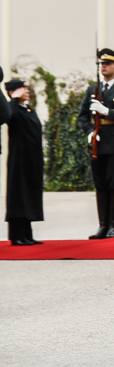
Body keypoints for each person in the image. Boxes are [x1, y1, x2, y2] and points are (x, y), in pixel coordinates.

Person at [77, 48, 114, 239]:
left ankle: (113, 225)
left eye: (107, 64)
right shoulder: (93, 89)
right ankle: (102, 225)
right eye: (101, 64)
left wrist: (107, 112)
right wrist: (89, 132)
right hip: (96, 143)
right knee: (100, 184)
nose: (103, 67)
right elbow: (82, 116)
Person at [3, 78, 44, 245]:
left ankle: (27, 233)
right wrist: (12, 99)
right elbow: (7, 117)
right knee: (18, 195)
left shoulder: (28, 109)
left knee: (29, 195)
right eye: (22, 89)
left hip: (32, 159)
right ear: (13, 92)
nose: (27, 91)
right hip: (18, 159)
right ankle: (16, 235)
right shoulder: (12, 109)